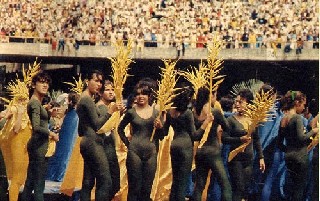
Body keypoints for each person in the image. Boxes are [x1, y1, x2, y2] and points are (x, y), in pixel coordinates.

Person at [162, 84, 213, 201]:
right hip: (185, 147)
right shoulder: (187, 113)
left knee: (175, 181)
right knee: (182, 182)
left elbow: (164, 132)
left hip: (174, 145)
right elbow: (195, 136)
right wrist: (206, 122)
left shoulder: (170, 112)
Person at [76, 70, 120, 201]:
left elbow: (80, 130)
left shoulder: (85, 99)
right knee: (106, 182)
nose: (99, 84)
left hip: (87, 142)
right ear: (87, 81)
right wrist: (110, 112)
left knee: (88, 182)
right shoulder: (86, 99)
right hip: (93, 144)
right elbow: (97, 125)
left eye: (100, 81)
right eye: (96, 80)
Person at [117, 80, 163, 201]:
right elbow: (120, 129)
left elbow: (162, 135)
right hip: (134, 152)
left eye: (144, 94)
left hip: (151, 153)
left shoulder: (156, 113)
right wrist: (128, 144)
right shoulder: (131, 112)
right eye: (137, 94)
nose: (140, 96)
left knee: (146, 189)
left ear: (149, 96)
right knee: (134, 188)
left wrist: (160, 128)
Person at [21, 72, 59, 201]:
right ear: (33, 85)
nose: (45, 85)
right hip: (39, 146)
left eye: (47, 82)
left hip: (38, 144)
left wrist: (47, 111)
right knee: (38, 184)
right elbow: (36, 127)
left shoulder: (37, 102)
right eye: (42, 82)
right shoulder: (35, 103)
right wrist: (51, 133)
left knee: (31, 181)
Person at [224, 88, 265, 201]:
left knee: (244, 190)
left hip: (249, 160)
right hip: (236, 160)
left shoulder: (253, 119)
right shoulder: (231, 120)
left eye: (240, 101)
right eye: (236, 101)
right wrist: (239, 139)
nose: (237, 104)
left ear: (248, 103)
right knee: (238, 188)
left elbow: (256, 139)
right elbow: (224, 139)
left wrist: (261, 157)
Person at [192, 87, 232, 201]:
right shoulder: (214, 112)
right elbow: (227, 127)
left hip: (200, 151)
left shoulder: (194, 112)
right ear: (210, 96)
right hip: (213, 152)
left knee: (199, 185)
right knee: (225, 185)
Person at [277, 91, 318, 201]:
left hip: (288, 156)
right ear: (297, 102)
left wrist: (289, 150)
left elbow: (279, 143)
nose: (304, 108)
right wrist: (314, 131)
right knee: (299, 189)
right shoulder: (297, 118)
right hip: (300, 156)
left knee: (291, 187)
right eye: (303, 104)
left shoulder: (284, 118)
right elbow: (301, 138)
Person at [96, 80, 124, 199]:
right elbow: (102, 127)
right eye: (107, 90)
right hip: (103, 147)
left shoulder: (109, 107)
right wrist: (114, 112)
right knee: (107, 182)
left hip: (110, 146)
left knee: (113, 182)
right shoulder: (101, 107)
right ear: (101, 92)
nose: (111, 92)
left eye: (112, 90)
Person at [46, 92, 80, 182]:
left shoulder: (71, 114)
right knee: (67, 149)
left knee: (65, 149)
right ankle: (61, 174)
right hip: (70, 125)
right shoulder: (73, 114)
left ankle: (57, 173)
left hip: (69, 125)